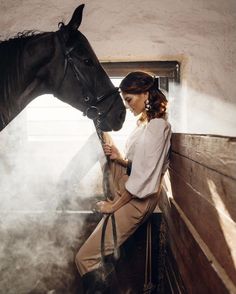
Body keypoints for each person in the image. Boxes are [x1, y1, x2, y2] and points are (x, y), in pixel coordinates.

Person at [75, 71, 172, 293]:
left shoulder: (157, 127)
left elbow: (145, 178)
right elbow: (142, 166)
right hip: (132, 187)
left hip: (138, 199)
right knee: (102, 135)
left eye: (129, 100)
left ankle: (62, 191)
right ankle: (61, 189)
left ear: (146, 94)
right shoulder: (148, 124)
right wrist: (121, 159)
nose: (127, 106)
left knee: (84, 259)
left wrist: (113, 206)